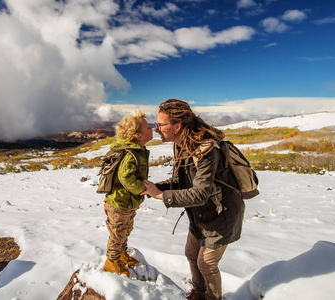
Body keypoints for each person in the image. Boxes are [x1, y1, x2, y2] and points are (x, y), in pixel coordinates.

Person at [142, 99, 245, 300]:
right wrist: (152, 188)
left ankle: (214, 298)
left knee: (206, 264)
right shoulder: (181, 144)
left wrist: (161, 195)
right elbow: (180, 181)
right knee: (191, 254)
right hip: (200, 214)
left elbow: (200, 193)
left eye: (160, 125)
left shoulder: (206, 149)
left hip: (220, 215)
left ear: (177, 126)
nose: (157, 129)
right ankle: (199, 293)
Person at [103, 109, 153, 277]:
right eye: (148, 127)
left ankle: (121, 255)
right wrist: (142, 189)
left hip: (126, 203)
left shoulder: (137, 150)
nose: (152, 129)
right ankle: (111, 261)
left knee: (125, 230)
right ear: (138, 135)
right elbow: (125, 177)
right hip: (119, 203)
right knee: (117, 233)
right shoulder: (132, 154)